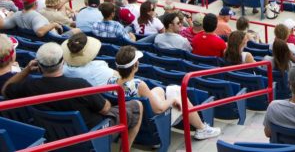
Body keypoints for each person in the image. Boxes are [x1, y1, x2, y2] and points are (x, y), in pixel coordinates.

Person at [3, 43, 143, 149]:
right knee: (137, 105)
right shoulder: (79, 85)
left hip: (54, 136)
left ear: (38, 65)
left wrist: (27, 70)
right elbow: (105, 109)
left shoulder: (30, 85)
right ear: (62, 61)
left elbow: (6, 89)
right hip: (91, 135)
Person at [108, 46, 220, 139]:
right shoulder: (139, 84)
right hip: (152, 124)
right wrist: (173, 100)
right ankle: (202, 129)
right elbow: (159, 109)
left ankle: (176, 94)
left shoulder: (111, 81)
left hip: (130, 120)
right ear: (135, 66)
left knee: (161, 89)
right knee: (181, 98)